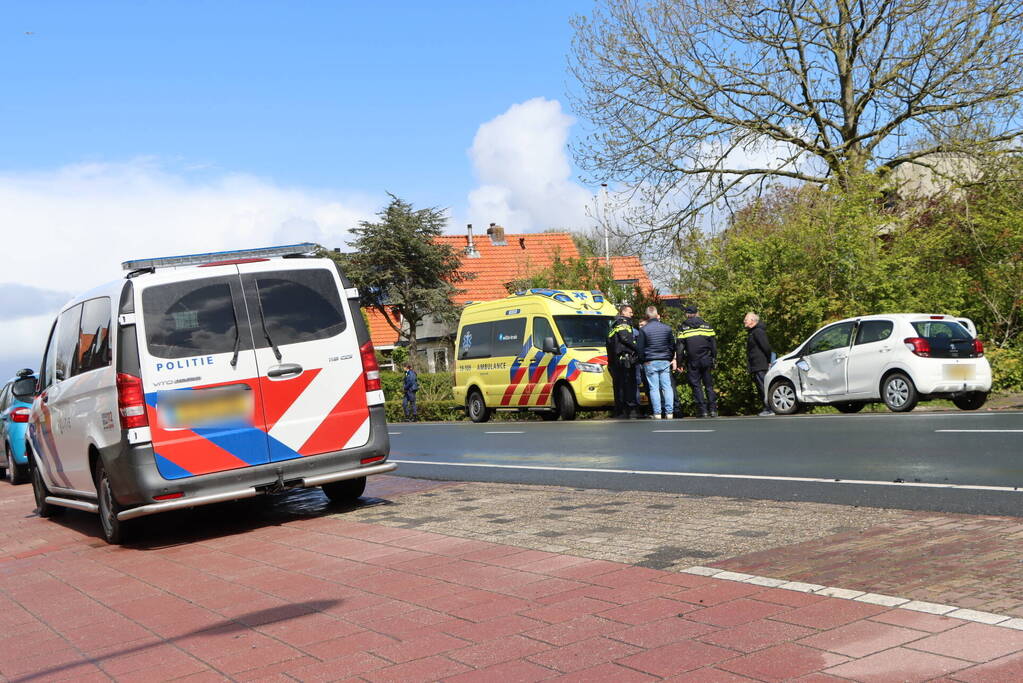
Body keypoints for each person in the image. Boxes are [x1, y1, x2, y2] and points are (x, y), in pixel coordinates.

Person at [676, 305, 718, 417]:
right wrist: (714, 358)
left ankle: (702, 410)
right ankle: (713, 410)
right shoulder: (707, 326)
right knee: (709, 385)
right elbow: (714, 345)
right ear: (697, 313)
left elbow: (680, 348)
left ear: (687, 314)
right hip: (706, 359)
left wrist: (679, 363)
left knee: (696, 386)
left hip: (692, 361)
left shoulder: (683, 327)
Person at [641, 306, 675, 419]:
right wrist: (669, 357)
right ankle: (669, 412)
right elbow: (672, 345)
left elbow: (640, 348)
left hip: (650, 361)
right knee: (667, 387)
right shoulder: (667, 328)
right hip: (664, 360)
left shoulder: (644, 330)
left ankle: (657, 413)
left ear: (647, 316)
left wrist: (643, 360)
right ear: (657, 314)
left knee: (654, 388)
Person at [606, 304, 640, 418]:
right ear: (623, 312)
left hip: (615, 360)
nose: (632, 314)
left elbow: (610, 343)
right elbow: (625, 339)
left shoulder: (614, 324)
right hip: (624, 359)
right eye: (630, 312)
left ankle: (620, 411)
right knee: (628, 385)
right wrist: (637, 349)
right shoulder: (623, 323)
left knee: (619, 386)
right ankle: (628, 411)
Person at [744, 312, 774, 416]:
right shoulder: (752, 332)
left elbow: (766, 347)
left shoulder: (758, 332)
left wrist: (769, 360)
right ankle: (767, 407)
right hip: (756, 365)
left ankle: (769, 408)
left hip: (760, 365)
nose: (744, 321)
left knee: (763, 387)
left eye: (746, 319)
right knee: (761, 387)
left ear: (752, 320)